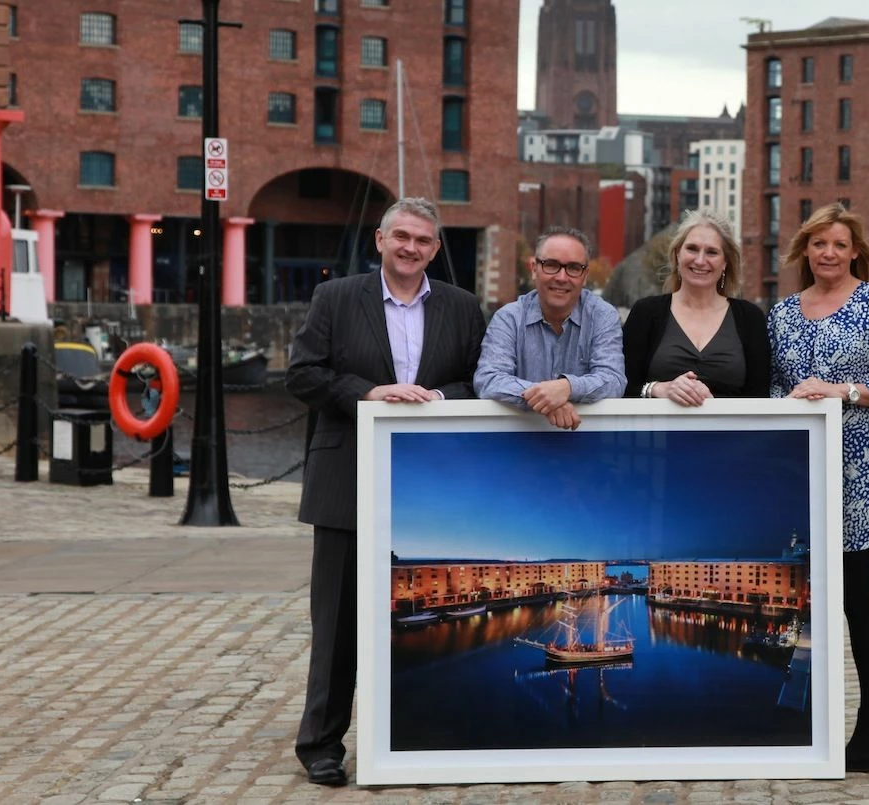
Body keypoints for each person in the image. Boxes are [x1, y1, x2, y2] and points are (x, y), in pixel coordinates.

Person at [285, 198, 485, 786]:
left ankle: (420, 734)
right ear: (379, 239)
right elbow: (302, 374)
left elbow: (482, 379)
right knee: (338, 620)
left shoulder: (464, 307)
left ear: (435, 249)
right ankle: (321, 744)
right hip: (346, 477)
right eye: (402, 236)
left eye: (423, 241)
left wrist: (438, 401)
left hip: (430, 484)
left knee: (412, 623)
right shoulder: (337, 298)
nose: (411, 248)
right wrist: (370, 396)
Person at [767, 202, 869, 773]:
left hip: (861, 464)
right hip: (803, 465)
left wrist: (838, 391)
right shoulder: (781, 313)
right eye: (817, 244)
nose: (827, 253)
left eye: (838, 244)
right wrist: (789, 401)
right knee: (806, 592)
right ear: (804, 251)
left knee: (857, 594)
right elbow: (773, 386)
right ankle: (807, 719)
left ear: (854, 250)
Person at [474, 226, 625, 427]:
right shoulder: (508, 318)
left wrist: (567, 387)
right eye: (551, 265)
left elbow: (613, 380)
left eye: (573, 268)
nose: (562, 277)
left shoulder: (602, 316)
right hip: (518, 442)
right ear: (534, 269)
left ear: (585, 275)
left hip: (585, 443)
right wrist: (548, 399)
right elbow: (488, 379)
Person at [623, 209, 770, 402]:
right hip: (659, 431)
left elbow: (760, 397)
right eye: (692, 249)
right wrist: (658, 388)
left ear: (725, 262)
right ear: (677, 254)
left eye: (712, 252)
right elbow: (622, 387)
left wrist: (712, 406)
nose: (700, 261)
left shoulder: (750, 318)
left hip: (730, 431)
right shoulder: (645, 312)